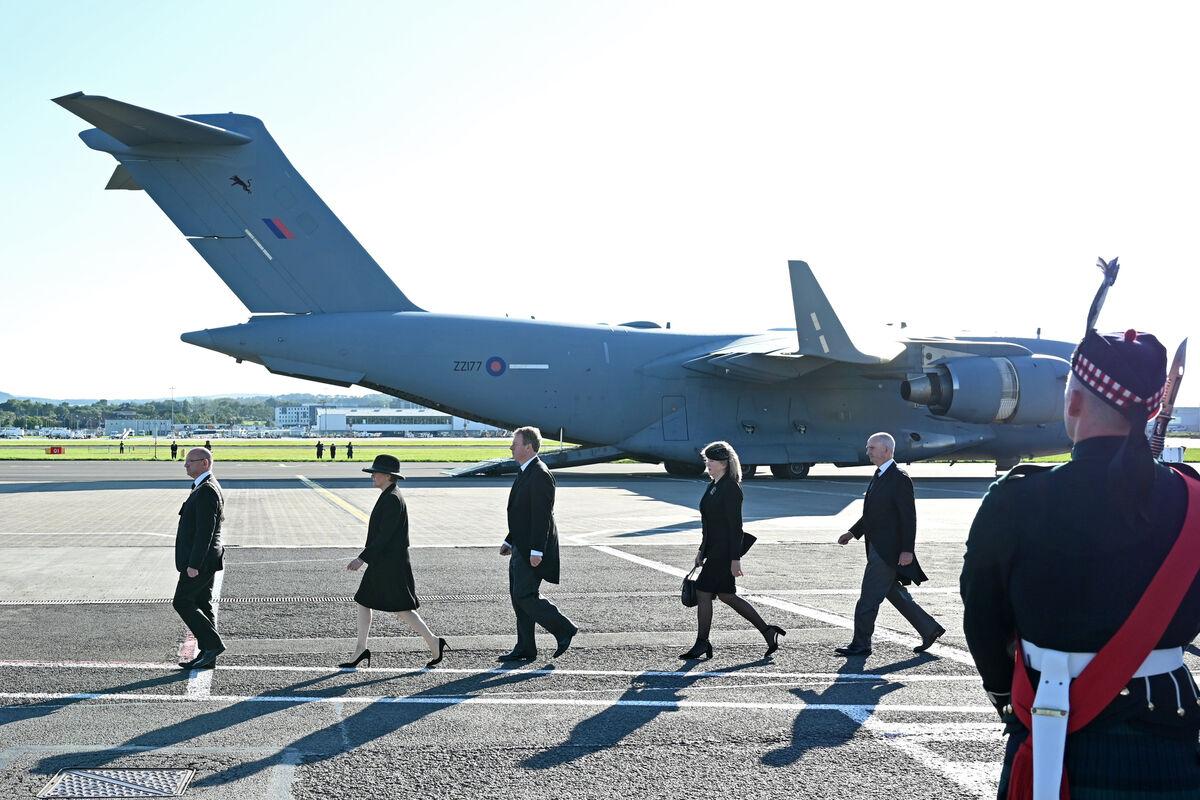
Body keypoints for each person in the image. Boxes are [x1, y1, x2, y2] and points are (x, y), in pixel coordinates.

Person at [961, 267, 1200, 798]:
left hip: (1051, 725)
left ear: (1072, 400)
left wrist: (1004, 692)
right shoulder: (1193, 499)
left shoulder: (1017, 499)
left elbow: (982, 616)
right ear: (1152, 408)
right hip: (1171, 728)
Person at [835, 432, 944, 657]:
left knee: (868, 598)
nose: (868, 452)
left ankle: (861, 643)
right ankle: (929, 629)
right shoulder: (880, 475)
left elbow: (908, 518)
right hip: (877, 547)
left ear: (886, 450)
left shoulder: (899, 478)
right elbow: (873, 514)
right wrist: (853, 532)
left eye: (871, 448)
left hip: (888, 552)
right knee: (893, 593)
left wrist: (907, 550)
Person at [341, 454, 448, 669]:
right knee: (364, 600)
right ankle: (360, 649)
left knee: (400, 608)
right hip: (384, 561)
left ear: (388, 476)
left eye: (376, 472)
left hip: (391, 563)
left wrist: (362, 558)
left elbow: (384, 536)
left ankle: (433, 641)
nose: (372, 476)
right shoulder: (390, 494)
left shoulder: (392, 498)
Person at [680, 441, 785, 660]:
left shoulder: (730, 488)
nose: (707, 463)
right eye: (706, 459)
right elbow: (709, 524)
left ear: (725, 463)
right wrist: (701, 551)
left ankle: (702, 643)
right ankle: (768, 632)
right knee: (727, 595)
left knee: (702, 591)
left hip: (725, 551)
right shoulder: (714, 485)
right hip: (714, 549)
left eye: (712, 460)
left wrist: (735, 559)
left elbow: (735, 527)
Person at [498, 426, 577, 661]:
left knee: (525, 595)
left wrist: (536, 550)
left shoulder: (540, 474)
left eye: (516, 443)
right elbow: (523, 514)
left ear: (529, 447)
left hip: (532, 547)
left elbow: (541, 516)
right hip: (521, 545)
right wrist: (509, 540)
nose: (511, 447)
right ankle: (526, 647)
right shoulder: (526, 471)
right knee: (517, 596)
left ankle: (564, 628)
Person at [175, 447, 226, 670]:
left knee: (182, 601)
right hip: (206, 559)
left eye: (190, 461)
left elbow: (205, 531)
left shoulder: (207, 490)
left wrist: (193, 564)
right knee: (202, 604)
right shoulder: (203, 487)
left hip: (201, 561)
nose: (186, 465)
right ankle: (208, 655)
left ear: (205, 463)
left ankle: (213, 645)